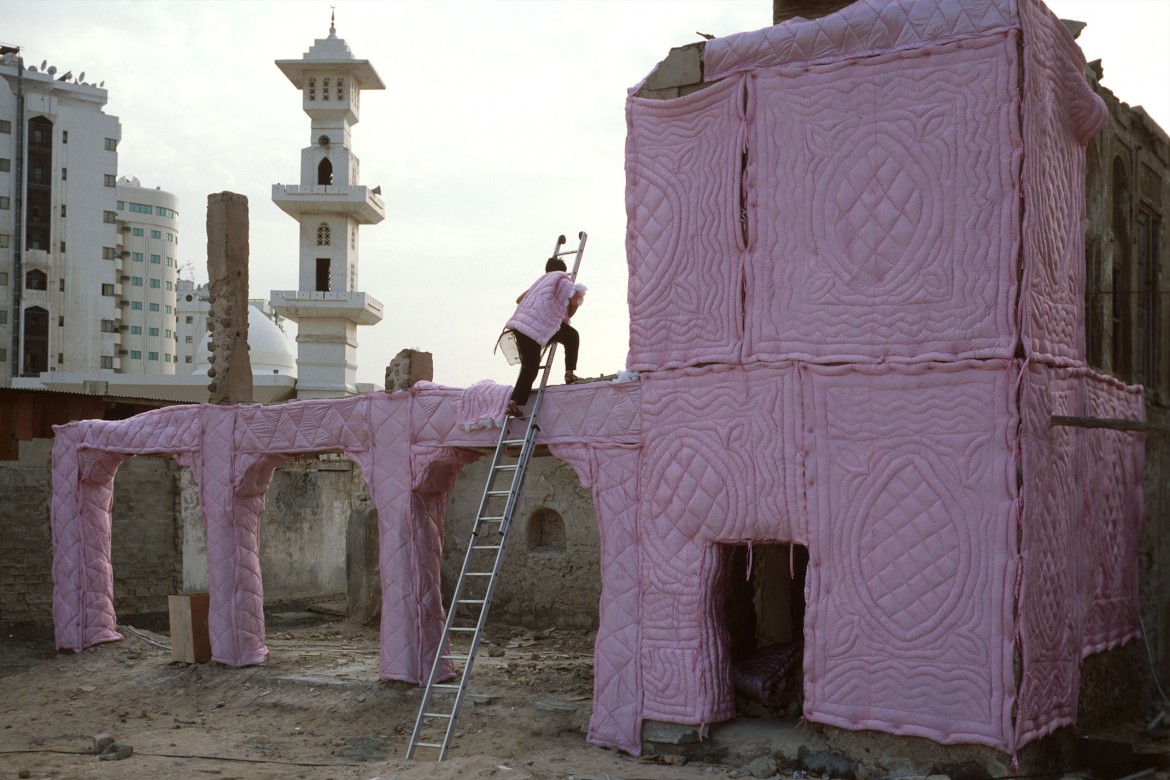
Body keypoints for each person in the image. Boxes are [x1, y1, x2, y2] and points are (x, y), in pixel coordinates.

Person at [502, 257, 586, 418]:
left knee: (530, 367)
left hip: (521, 327)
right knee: (572, 336)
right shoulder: (562, 280)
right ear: (562, 271)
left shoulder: (539, 284)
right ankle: (569, 373)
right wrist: (566, 317)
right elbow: (575, 301)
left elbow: (519, 300)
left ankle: (513, 403)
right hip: (542, 324)